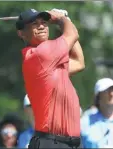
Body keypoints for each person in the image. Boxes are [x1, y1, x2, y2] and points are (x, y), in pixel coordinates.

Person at [16, 8, 85, 148]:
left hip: (71, 143)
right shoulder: (40, 54)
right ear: (21, 33)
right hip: (51, 143)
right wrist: (61, 19)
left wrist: (66, 21)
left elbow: (79, 62)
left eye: (44, 22)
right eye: (34, 24)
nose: (41, 26)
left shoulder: (51, 61)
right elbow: (72, 34)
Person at [81, 78, 113, 148]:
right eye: (107, 90)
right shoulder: (85, 122)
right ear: (98, 96)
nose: (111, 94)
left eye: (112, 90)